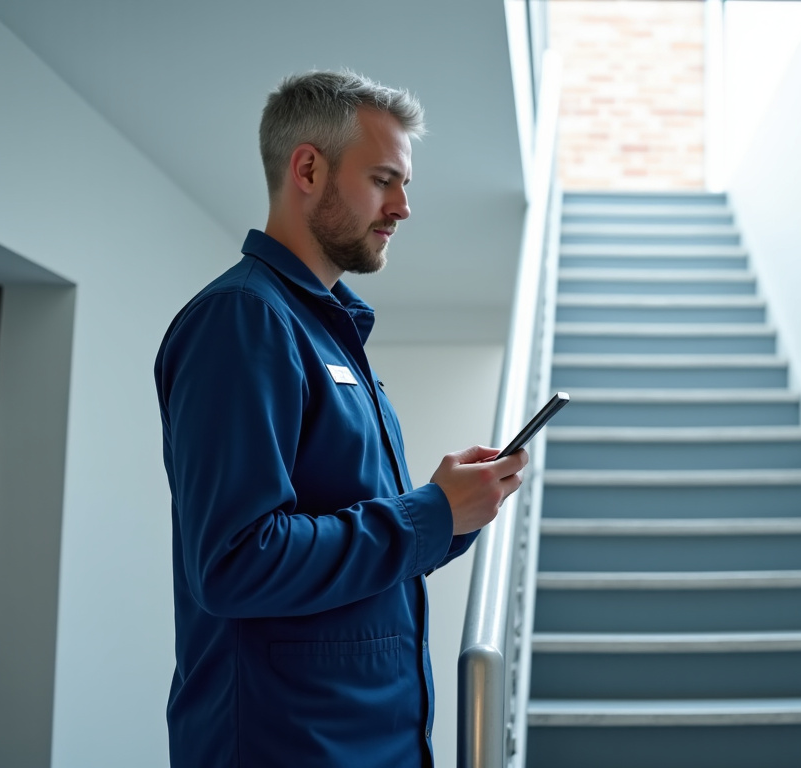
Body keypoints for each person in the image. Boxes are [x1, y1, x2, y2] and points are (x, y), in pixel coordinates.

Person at [153, 70, 527, 767]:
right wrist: (427, 515)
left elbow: (351, 537)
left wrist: (452, 513)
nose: (404, 207)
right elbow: (238, 562)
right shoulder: (244, 320)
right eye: (385, 179)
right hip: (288, 746)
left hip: (368, 741)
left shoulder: (329, 335)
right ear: (307, 168)